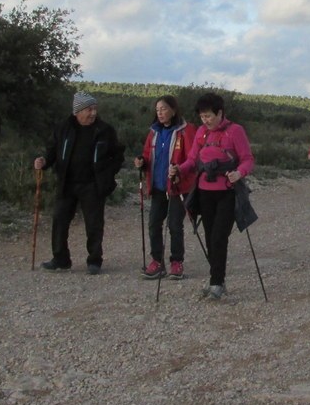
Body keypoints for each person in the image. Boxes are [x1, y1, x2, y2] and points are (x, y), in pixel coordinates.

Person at [34, 91, 125, 275]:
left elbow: (117, 155)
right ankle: (60, 259)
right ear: (77, 111)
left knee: (94, 223)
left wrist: (108, 173)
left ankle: (94, 261)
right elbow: (52, 151)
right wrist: (43, 161)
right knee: (59, 219)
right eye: (89, 109)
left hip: (92, 184)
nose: (93, 113)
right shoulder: (63, 128)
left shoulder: (105, 130)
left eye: (94, 109)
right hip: (67, 182)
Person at [179, 92, 255, 300]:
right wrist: (178, 170)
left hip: (227, 193)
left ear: (220, 113)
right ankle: (218, 280)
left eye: (209, 116)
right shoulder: (201, 133)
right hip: (204, 193)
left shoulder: (235, 131)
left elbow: (248, 159)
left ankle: (216, 284)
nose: (206, 120)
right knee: (211, 238)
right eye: (202, 117)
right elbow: (193, 160)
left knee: (219, 237)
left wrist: (239, 173)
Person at [133, 95, 196, 281]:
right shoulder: (154, 132)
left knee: (175, 225)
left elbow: (193, 158)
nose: (160, 113)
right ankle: (157, 262)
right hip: (158, 186)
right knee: (154, 224)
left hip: (177, 187)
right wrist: (141, 162)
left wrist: (180, 172)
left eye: (164, 109)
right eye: (158, 109)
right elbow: (147, 154)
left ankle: (177, 262)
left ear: (174, 110)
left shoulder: (186, 131)